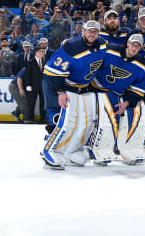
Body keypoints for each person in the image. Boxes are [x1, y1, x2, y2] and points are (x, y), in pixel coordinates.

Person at [41, 20, 107, 170]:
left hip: (84, 89)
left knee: (86, 124)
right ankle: (49, 151)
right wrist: (60, 91)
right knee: (67, 124)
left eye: (95, 31)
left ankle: (71, 151)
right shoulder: (72, 46)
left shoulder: (102, 44)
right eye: (89, 30)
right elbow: (52, 70)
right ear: (82, 31)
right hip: (67, 88)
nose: (92, 33)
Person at [90, 33, 145, 165]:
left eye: (138, 46)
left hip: (117, 94)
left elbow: (138, 89)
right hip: (94, 90)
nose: (134, 48)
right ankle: (99, 148)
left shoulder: (143, 64)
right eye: (133, 44)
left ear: (141, 48)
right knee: (108, 114)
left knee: (137, 107)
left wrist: (127, 102)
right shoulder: (109, 49)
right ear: (127, 43)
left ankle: (130, 147)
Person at [24, 43, 46, 123]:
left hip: (43, 86)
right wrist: (28, 85)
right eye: (42, 51)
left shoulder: (44, 62)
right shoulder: (30, 62)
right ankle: (30, 118)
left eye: (44, 51)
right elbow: (27, 75)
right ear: (36, 52)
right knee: (31, 102)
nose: (43, 53)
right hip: (33, 86)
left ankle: (43, 118)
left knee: (43, 103)